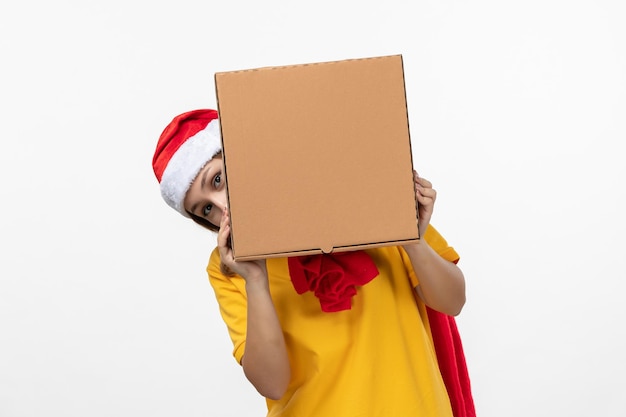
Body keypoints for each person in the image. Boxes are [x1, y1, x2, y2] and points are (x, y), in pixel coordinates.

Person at [152, 109, 476, 417]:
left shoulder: (359, 192)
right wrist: (255, 280)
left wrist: (410, 239)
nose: (221, 208)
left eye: (218, 180)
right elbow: (272, 384)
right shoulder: (228, 268)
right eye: (205, 209)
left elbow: (452, 302)